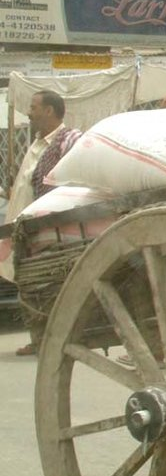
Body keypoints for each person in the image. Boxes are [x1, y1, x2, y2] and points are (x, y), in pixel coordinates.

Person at [5, 90, 82, 355]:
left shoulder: (69, 139)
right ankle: (39, 338)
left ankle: (56, 337)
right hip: (27, 228)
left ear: (49, 111)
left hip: (53, 227)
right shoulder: (37, 144)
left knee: (50, 284)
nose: (29, 112)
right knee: (28, 283)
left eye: (33, 107)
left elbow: (76, 178)